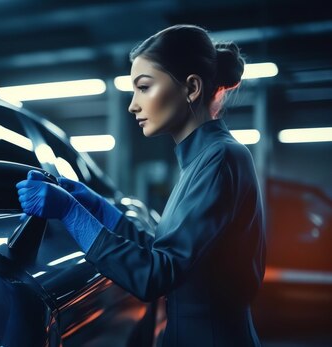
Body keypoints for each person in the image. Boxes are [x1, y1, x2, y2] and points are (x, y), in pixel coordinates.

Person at [16, 24, 266, 347]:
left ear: (191, 88)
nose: (133, 104)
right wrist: (97, 208)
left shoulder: (220, 159)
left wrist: (70, 212)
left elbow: (155, 274)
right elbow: (166, 253)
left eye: (144, 87)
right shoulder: (202, 160)